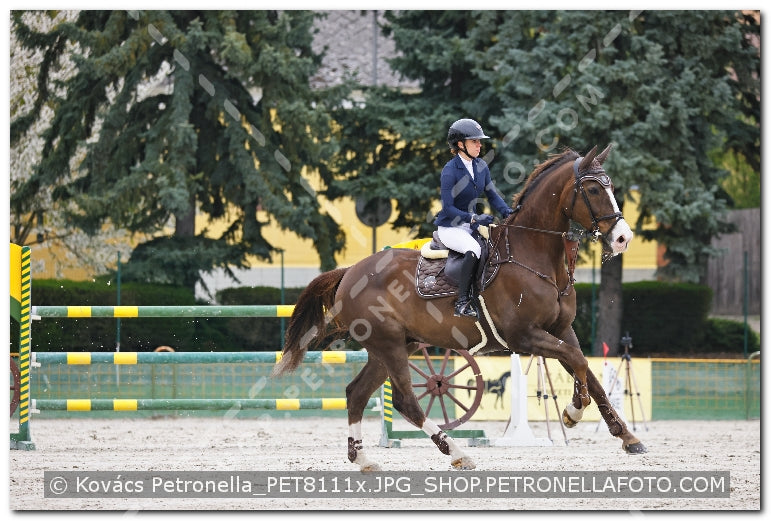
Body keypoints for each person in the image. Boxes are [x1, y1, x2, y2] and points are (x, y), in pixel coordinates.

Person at [434, 118, 513, 318]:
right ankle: (462, 303)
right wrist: (473, 219)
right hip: (450, 227)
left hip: (470, 226)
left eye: (479, 142)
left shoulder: (481, 167)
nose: (479, 145)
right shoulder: (450, 171)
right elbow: (448, 208)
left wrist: (508, 212)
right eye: (474, 141)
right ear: (460, 144)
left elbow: (493, 196)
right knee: (474, 249)